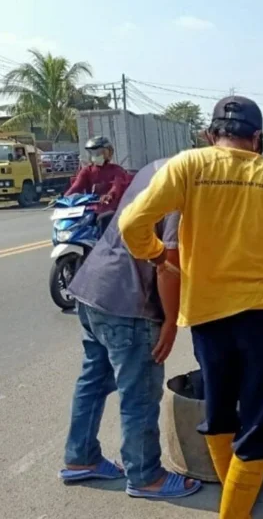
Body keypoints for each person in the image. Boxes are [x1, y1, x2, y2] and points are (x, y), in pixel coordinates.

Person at [119, 96, 263, 519]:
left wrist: (156, 255)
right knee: (258, 428)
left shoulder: (188, 165)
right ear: (256, 139)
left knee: (219, 413)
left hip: (206, 316)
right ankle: (235, 512)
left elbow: (132, 223)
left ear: (210, 135)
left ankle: (235, 505)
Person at [58, 158, 200, 499]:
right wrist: (170, 321)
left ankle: (80, 459)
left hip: (92, 289)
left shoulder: (154, 169)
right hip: (129, 304)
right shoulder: (185, 187)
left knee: (93, 380)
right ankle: (145, 476)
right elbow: (168, 263)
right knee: (139, 393)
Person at [66, 136, 130, 215]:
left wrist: (109, 195)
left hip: (111, 209)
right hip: (90, 209)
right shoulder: (87, 170)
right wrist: (64, 198)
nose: (96, 155)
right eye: (93, 153)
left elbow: (117, 186)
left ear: (109, 153)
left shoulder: (117, 170)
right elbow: (76, 187)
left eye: (100, 152)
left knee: (104, 218)